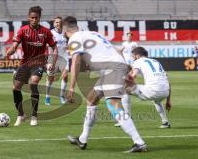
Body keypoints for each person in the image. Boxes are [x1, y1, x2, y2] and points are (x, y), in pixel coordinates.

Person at [63, 16, 147, 153]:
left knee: (113, 105)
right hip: (114, 67)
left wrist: (71, 87)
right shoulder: (93, 33)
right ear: (77, 26)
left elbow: (76, 62)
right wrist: (127, 69)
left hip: (111, 69)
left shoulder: (74, 39)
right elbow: (116, 51)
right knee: (91, 99)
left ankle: (139, 142)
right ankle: (83, 140)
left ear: (65, 31)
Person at [6, 6, 58, 126]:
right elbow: (15, 45)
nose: (34, 20)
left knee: (34, 83)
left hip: (39, 63)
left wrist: (52, 62)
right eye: (32, 17)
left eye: (37, 18)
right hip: (25, 63)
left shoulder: (46, 32)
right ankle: (21, 115)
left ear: (40, 18)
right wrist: (11, 51)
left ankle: (34, 116)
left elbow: (54, 47)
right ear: (29, 18)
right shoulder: (23, 30)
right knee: (15, 88)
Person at [125, 47, 172, 128]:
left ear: (137, 56)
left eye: (133, 56)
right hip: (165, 92)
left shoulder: (138, 61)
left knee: (125, 90)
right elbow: (168, 81)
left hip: (153, 91)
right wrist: (168, 101)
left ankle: (127, 119)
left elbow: (134, 75)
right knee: (157, 100)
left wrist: (124, 79)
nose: (133, 58)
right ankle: (165, 122)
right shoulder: (156, 61)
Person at [45, 16, 69, 105]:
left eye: (60, 22)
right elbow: (49, 47)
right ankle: (47, 97)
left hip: (64, 57)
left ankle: (62, 96)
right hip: (53, 57)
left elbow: (68, 44)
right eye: (57, 22)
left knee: (65, 76)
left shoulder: (65, 33)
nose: (58, 24)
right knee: (50, 79)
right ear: (54, 23)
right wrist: (51, 61)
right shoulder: (50, 33)